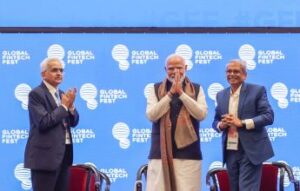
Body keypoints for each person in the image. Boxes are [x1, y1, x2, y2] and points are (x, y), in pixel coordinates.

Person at [146, 54, 208, 191]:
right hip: (159, 153)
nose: (175, 72)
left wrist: (181, 94)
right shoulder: (155, 89)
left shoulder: (197, 89)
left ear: (186, 68)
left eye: (179, 68)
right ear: (165, 69)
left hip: (189, 154)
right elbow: (152, 115)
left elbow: (201, 114)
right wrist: (170, 94)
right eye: (171, 68)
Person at [212, 59, 274, 191]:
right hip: (230, 150)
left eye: (236, 71)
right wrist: (221, 125)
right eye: (229, 71)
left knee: (247, 188)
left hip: (250, 150)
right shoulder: (220, 95)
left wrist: (242, 123)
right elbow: (215, 121)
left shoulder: (257, 91)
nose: (232, 74)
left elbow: (268, 117)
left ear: (244, 75)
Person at [24, 57, 79, 191]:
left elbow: (73, 122)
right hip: (45, 160)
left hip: (63, 157)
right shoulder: (36, 94)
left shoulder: (61, 94)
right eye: (55, 70)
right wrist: (64, 107)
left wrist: (70, 108)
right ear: (44, 74)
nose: (59, 73)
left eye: (61, 70)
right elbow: (43, 122)